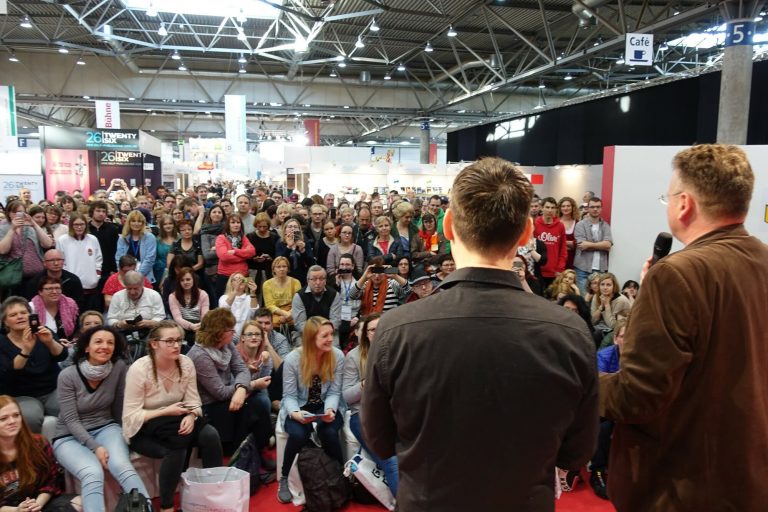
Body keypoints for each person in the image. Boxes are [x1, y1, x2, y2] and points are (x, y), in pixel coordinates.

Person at [362, 157, 598, 511]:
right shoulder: (569, 332)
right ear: (528, 232)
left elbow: (380, 441)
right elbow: (576, 451)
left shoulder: (396, 330)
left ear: (448, 225)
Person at [600, 144, 768, 511]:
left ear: (684, 204)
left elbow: (638, 398)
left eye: (668, 196)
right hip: (748, 477)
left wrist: (583, 381)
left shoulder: (676, 274)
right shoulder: (761, 259)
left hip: (682, 486)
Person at [122, 321, 223, 512]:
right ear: (154, 344)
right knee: (177, 446)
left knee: (210, 435)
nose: (176, 345)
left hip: (178, 420)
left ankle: (214, 491)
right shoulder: (139, 369)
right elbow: (131, 416)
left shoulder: (185, 363)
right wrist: (166, 411)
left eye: (178, 340)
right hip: (145, 428)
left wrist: (192, 415)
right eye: (169, 341)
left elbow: (194, 401)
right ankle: (167, 506)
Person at [52, 326, 150, 512]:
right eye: (98, 342)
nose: (104, 346)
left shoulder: (119, 367)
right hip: (68, 436)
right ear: (86, 348)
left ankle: (147, 508)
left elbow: (120, 406)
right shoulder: (67, 375)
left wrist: (126, 434)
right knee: (92, 473)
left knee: (122, 465)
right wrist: (95, 447)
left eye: (110, 342)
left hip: (106, 427)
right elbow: (71, 420)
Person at [276, 317, 345, 504]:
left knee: (329, 431)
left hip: (325, 403)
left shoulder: (337, 356)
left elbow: (335, 391)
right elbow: (289, 395)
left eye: (332, 334)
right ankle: (283, 478)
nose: (331, 339)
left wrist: (330, 409)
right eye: (325, 336)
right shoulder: (292, 359)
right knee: (298, 434)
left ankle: (339, 474)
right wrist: (295, 414)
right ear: (310, 338)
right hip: (299, 405)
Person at [188, 310, 272, 462]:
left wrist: (241, 388)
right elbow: (219, 392)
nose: (234, 333)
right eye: (230, 330)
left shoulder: (227, 346)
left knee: (259, 405)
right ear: (218, 332)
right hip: (209, 406)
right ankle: (243, 458)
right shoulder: (200, 355)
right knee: (251, 410)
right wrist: (246, 387)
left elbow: (241, 370)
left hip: (230, 395)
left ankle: (256, 453)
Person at [342, 313, 398, 496]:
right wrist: (365, 384)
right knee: (391, 461)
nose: (378, 332)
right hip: (363, 415)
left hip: (395, 413)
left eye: (381, 327)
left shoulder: (396, 351)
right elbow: (346, 397)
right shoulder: (354, 356)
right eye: (373, 329)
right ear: (365, 334)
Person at [0, 395, 81, 511]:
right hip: (8, 509)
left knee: (80, 503)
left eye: (16, 415)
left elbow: (51, 482)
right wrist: (17, 510)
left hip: (38, 502)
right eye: (3, 419)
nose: (12, 421)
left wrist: (37, 505)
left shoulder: (38, 443)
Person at [0, 296, 68, 433]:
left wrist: (49, 342)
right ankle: (35, 451)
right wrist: (26, 349)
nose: (20, 317)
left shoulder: (44, 331)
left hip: (51, 389)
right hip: (21, 394)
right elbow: (9, 371)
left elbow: (62, 355)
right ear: (6, 322)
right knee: (30, 417)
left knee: (68, 410)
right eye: (13, 315)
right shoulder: (2, 342)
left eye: (24, 313)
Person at [0, 201, 56, 294]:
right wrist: (13, 229)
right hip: (13, 278)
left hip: (36, 276)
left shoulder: (30, 228)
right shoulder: (3, 229)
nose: (19, 215)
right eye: (15, 212)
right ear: (9, 214)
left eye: (22, 212)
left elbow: (48, 244)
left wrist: (34, 224)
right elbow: (3, 250)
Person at [55, 213, 103, 312]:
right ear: (71, 225)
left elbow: (98, 259)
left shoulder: (93, 239)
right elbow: (60, 261)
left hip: (91, 284)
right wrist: (67, 278)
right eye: (76, 224)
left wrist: (96, 275)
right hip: (71, 285)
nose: (79, 227)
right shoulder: (63, 240)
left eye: (82, 224)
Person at [290, 266, 342, 346]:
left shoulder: (334, 295)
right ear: (308, 280)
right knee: (302, 351)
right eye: (314, 279)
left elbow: (335, 322)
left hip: (329, 332)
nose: (318, 282)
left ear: (325, 280)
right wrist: (317, 334)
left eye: (321, 279)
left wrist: (323, 334)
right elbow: (300, 324)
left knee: (335, 351)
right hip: (305, 333)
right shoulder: (299, 296)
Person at [573, 197, 612, 294]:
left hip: (601, 269)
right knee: (583, 300)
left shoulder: (605, 226)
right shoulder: (580, 225)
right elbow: (582, 245)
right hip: (582, 268)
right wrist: (600, 244)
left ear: (601, 208)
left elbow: (607, 245)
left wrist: (589, 244)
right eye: (592, 207)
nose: (595, 209)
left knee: (598, 300)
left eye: (598, 207)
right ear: (588, 208)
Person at [215, 214, 255, 300]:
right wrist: (244, 256)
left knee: (244, 301)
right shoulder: (221, 238)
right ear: (228, 225)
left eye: (238, 222)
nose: (236, 225)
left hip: (243, 276)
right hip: (225, 276)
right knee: (224, 303)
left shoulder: (243, 238)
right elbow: (224, 256)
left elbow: (252, 252)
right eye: (233, 222)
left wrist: (235, 251)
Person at [168, 267, 210, 350]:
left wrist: (199, 326)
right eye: (182, 280)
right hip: (181, 327)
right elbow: (177, 318)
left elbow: (205, 316)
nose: (185, 282)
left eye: (188, 279)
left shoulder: (203, 294)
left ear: (193, 280)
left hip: (199, 326)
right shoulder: (173, 296)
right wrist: (191, 326)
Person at [29, 277, 79, 345]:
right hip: (40, 346)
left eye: (57, 288)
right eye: (49, 289)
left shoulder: (70, 305)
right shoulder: (32, 307)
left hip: (66, 346)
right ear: (40, 292)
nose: (54, 292)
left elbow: (76, 330)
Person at [115, 210, 157, 285]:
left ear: (143, 223)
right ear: (129, 222)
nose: (136, 224)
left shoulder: (150, 237)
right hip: (125, 277)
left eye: (139, 221)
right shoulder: (123, 238)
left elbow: (150, 259)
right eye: (133, 221)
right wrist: (123, 274)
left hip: (145, 277)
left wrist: (137, 275)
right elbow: (119, 258)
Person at [533, 197, 567, 289]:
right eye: (547, 207)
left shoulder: (560, 226)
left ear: (556, 209)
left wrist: (560, 268)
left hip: (554, 272)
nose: (550, 210)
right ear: (541, 208)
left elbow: (563, 249)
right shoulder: (534, 224)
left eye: (552, 208)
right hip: (537, 271)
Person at [589, 272, 630, 345]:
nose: (605, 287)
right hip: (600, 327)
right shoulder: (596, 296)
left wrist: (607, 305)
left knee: (597, 335)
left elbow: (612, 326)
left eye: (608, 285)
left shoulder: (621, 300)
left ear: (614, 286)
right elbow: (592, 321)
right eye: (602, 284)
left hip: (618, 331)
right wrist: (601, 307)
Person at [262, 257, 302, 331]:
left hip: (293, 313)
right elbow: (270, 306)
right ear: (273, 269)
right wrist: (285, 314)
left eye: (284, 266)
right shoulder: (267, 284)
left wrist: (289, 315)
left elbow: (298, 303)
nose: (282, 269)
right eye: (278, 267)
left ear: (288, 268)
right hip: (275, 315)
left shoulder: (296, 282)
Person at [217, 272, 257, 343]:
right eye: (236, 280)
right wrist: (235, 290)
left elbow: (254, 312)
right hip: (228, 334)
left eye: (242, 280)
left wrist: (253, 292)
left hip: (246, 335)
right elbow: (224, 310)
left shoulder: (249, 298)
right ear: (231, 283)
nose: (240, 282)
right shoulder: (224, 297)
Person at [275, 218, 314, 287]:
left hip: (302, 277)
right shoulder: (280, 242)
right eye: (290, 227)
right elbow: (278, 262)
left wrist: (303, 251)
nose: (292, 229)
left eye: (295, 227)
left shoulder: (304, 240)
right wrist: (288, 247)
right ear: (285, 230)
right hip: (285, 277)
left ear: (299, 230)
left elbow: (311, 263)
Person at [154, 214, 177, 285]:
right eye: (165, 224)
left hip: (177, 271)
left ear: (174, 225)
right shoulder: (157, 240)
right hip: (160, 272)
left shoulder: (180, 238)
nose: (168, 226)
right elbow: (154, 257)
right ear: (161, 226)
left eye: (170, 223)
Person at [557, 196, 580, 270]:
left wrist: (562, 243)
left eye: (568, 206)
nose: (566, 208)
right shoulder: (555, 222)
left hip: (573, 259)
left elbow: (579, 243)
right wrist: (571, 243)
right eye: (563, 206)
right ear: (560, 208)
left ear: (572, 207)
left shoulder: (578, 223)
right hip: (557, 257)